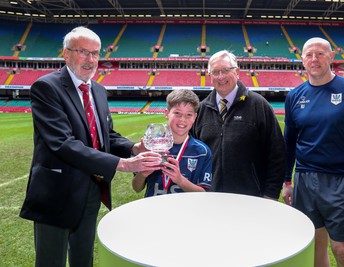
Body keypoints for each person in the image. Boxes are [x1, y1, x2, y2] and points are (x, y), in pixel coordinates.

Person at [19, 26, 162, 267]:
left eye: (95, 53)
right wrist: (122, 164)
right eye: (83, 52)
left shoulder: (98, 89)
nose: (91, 60)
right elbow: (62, 143)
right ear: (66, 54)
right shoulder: (46, 87)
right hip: (57, 191)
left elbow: (106, 135)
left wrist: (134, 148)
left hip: (92, 190)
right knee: (50, 262)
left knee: (83, 259)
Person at [281, 37, 344, 267]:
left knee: (343, 251)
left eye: (320, 54)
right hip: (305, 180)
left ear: (332, 57)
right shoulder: (295, 96)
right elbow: (288, 142)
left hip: (341, 180)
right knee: (315, 249)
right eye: (309, 55)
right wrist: (287, 180)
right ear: (302, 60)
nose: (314, 59)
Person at [191, 50, 286, 199]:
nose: (220, 77)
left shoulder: (259, 105)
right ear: (209, 77)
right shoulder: (201, 110)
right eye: (215, 72)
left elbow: (277, 153)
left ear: (237, 72)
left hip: (251, 198)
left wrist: (271, 194)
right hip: (208, 198)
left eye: (225, 70)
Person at [132, 89, 212, 197]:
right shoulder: (151, 146)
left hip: (187, 210)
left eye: (189, 114)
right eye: (177, 113)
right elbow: (136, 187)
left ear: (194, 117)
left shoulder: (202, 152)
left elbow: (205, 194)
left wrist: (180, 180)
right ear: (167, 113)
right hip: (154, 209)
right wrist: (143, 173)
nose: (182, 119)